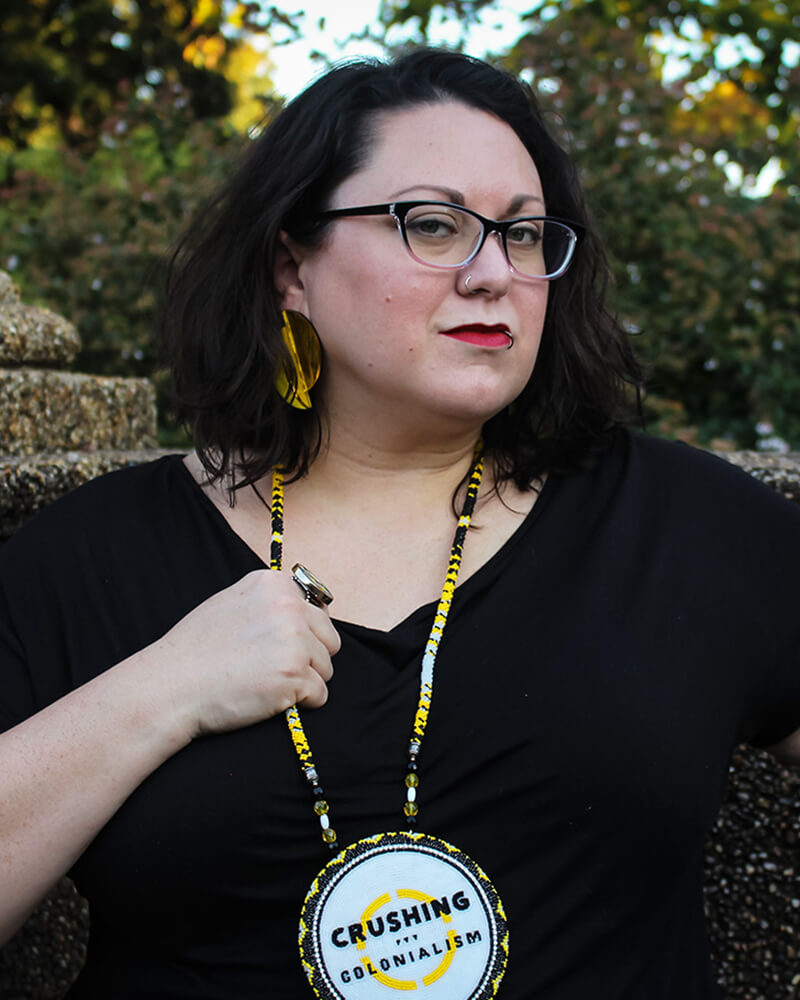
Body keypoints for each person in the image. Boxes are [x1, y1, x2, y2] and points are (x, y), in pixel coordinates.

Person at [0, 48, 798, 1000]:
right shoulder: (88, 561)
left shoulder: (690, 531)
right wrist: (155, 694)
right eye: (433, 224)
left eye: (528, 234)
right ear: (291, 266)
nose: (496, 272)